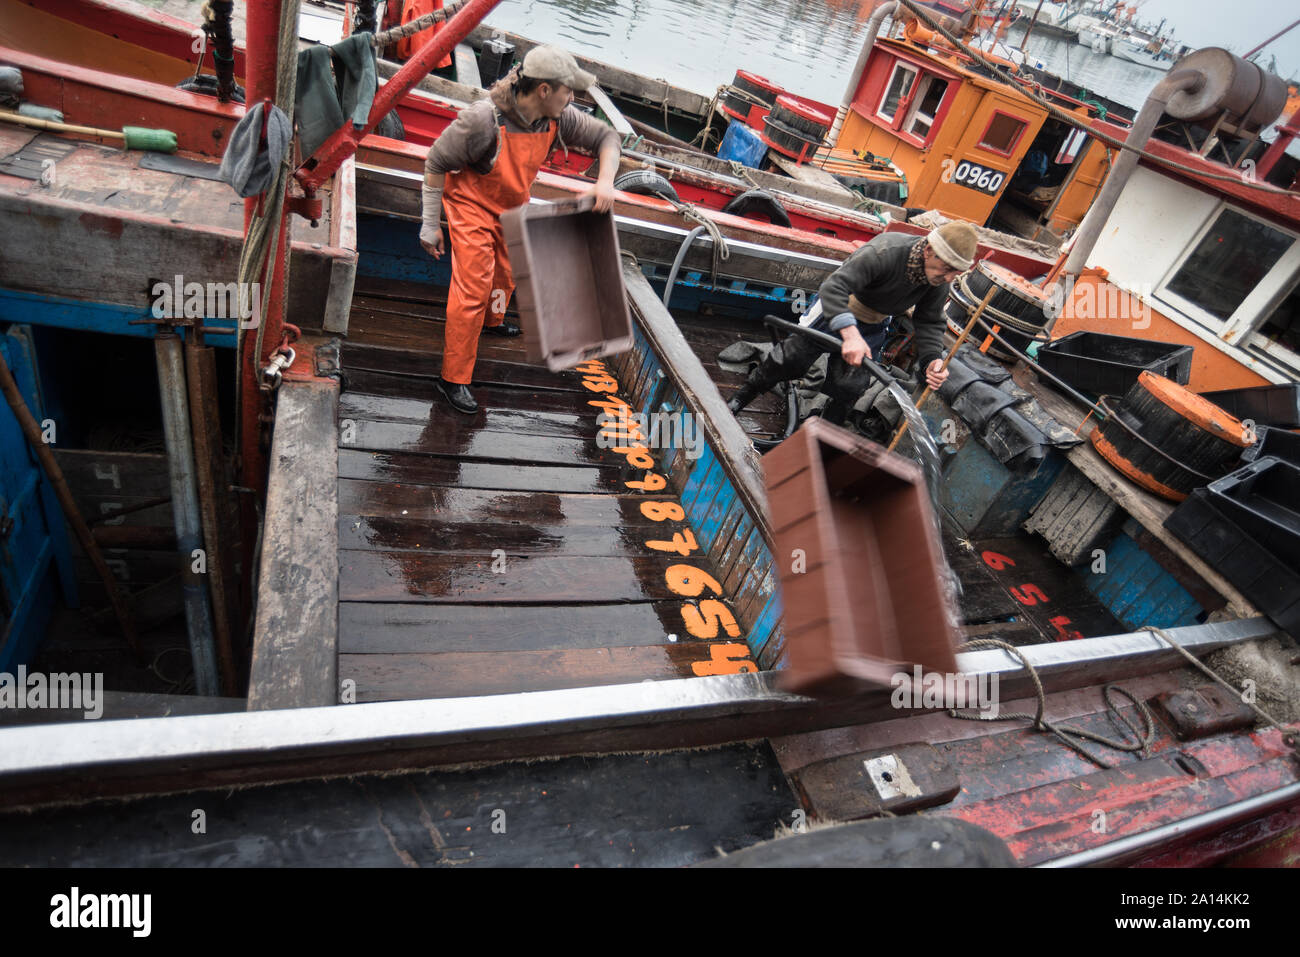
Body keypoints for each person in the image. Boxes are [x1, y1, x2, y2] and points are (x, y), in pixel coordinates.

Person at [420, 46, 622, 413]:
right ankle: (453, 378)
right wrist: (430, 224)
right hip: (471, 206)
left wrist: (605, 181)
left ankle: (491, 321)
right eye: (568, 91)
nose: (572, 98)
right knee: (473, 288)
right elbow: (435, 161)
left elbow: (608, 139)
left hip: (510, 204)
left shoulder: (558, 118)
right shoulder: (482, 119)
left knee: (507, 271)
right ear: (544, 90)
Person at [727, 222, 979, 421]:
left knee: (850, 387)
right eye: (946, 269)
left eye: (954, 274)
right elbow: (834, 288)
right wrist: (850, 334)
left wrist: (933, 359)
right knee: (789, 360)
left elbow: (930, 320)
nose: (948, 279)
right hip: (837, 308)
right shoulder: (885, 252)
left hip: (873, 325)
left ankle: (822, 436)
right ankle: (741, 398)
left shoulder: (937, 280)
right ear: (928, 251)